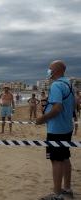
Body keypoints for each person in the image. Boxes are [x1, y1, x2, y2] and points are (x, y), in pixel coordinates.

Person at [36, 60, 76, 200]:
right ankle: (67, 189)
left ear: (56, 70)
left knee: (56, 160)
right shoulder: (70, 84)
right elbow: (74, 104)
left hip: (57, 128)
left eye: (49, 69)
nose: (48, 71)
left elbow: (57, 108)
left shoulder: (57, 85)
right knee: (65, 157)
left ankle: (57, 194)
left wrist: (42, 119)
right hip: (67, 127)